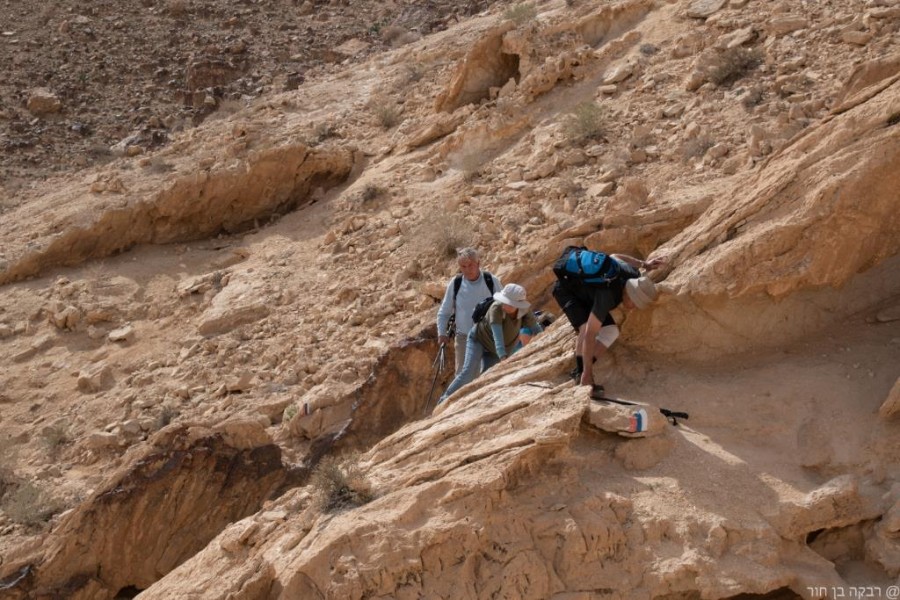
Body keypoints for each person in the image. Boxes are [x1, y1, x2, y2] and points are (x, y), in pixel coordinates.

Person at [551, 247, 667, 390]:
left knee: (612, 332)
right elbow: (590, 334)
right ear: (629, 294)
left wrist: (645, 264)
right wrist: (589, 373)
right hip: (566, 290)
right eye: (635, 303)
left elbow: (615, 255)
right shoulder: (609, 296)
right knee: (584, 327)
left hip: (587, 294)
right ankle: (584, 376)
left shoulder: (633, 275)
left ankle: (579, 372)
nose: (634, 307)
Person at [438, 283, 542, 404]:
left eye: (508, 303)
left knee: (486, 378)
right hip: (479, 340)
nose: (504, 305)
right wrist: (503, 358)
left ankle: (473, 403)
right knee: (468, 373)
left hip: (495, 352)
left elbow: (537, 329)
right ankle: (444, 400)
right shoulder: (496, 308)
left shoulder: (524, 312)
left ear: (517, 305)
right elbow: (497, 336)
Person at [436, 248, 502, 374]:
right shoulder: (456, 283)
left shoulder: (491, 280)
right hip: (463, 338)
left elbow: (504, 305)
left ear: (478, 263)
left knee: (489, 373)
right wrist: (442, 333)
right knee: (463, 375)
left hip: (489, 337)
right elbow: (444, 312)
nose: (467, 269)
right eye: (463, 266)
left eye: (470, 265)